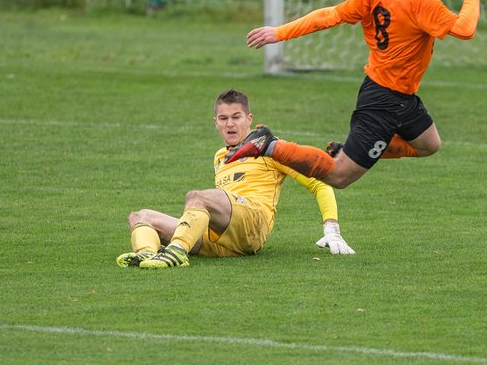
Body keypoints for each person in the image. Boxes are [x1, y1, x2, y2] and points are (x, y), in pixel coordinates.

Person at [225, 0, 482, 189]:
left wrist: (280, 32)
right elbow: (465, 29)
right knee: (339, 176)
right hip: (382, 102)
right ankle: (270, 144)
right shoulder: (422, 1)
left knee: (429, 144)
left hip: (401, 98)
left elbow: (330, 15)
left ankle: (349, 149)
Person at [116, 89, 354, 269]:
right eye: (223, 118)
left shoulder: (269, 147)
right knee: (140, 216)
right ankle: (147, 254)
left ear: (249, 119)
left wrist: (331, 227)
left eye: (236, 117)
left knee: (197, 197)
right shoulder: (220, 156)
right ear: (215, 122)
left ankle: (176, 252)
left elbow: (318, 182)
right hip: (222, 239)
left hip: (253, 224)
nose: (230, 124)